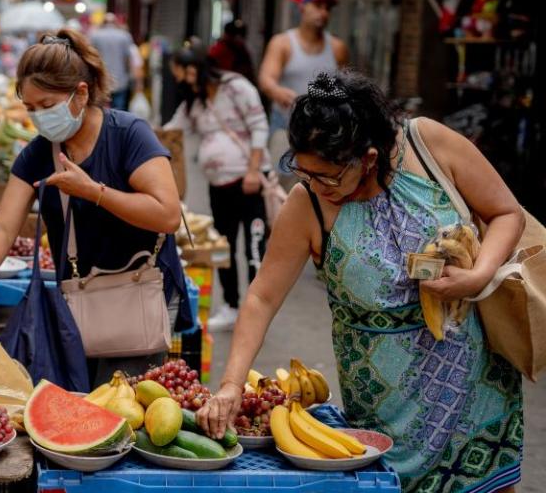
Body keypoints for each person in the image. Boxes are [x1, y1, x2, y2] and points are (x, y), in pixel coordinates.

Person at [197, 72, 524, 493]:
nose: (314, 185)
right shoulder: (308, 203)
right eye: (304, 171)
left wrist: (477, 277)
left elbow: (506, 212)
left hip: (473, 388)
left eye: (328, 176)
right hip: (380, 410)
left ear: (367, 159)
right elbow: (262, 297)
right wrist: (229, 384)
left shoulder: (429, 146)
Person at [0, 29, 194, 385]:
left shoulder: (129, 134)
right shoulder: (39, 153)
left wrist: (94, 192)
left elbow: (168, 214)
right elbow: (4, 225)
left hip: (137, 295)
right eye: (30, 108)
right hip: (79, 304)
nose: (38, 117)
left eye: (47, 105)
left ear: (81, 94)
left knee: (128, 412)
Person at [164, 49, 269, 332]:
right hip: (218, 184)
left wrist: (253, 171)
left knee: (254, 247)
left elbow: (259, 127)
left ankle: (259, 308)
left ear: (198, 67)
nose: (183, 80)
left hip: (249, 181)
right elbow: (172, 129)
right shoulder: (194, 103)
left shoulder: (235, 87)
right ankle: (232, 306)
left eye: (185, 72)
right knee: (224, 245)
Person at [258, 0, 348, 187]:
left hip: (322, 134)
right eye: (317, 6)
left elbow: (345, 87)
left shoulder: (337, 48)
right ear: (302, 7)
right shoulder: (283, 43)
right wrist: (277, 91)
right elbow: (266, 78)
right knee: (280, 186)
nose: (323, 12)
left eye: (327, 8)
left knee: (317, 188)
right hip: (286, 128)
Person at [89, 13, 137, 111]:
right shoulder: (124, 36)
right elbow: (128, 58)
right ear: (115, 23)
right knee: (119, 109)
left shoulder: (95, 36)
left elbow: (91, 56)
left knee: (100, 109)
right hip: (120, 79)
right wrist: (129, 74)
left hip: (101, 79)